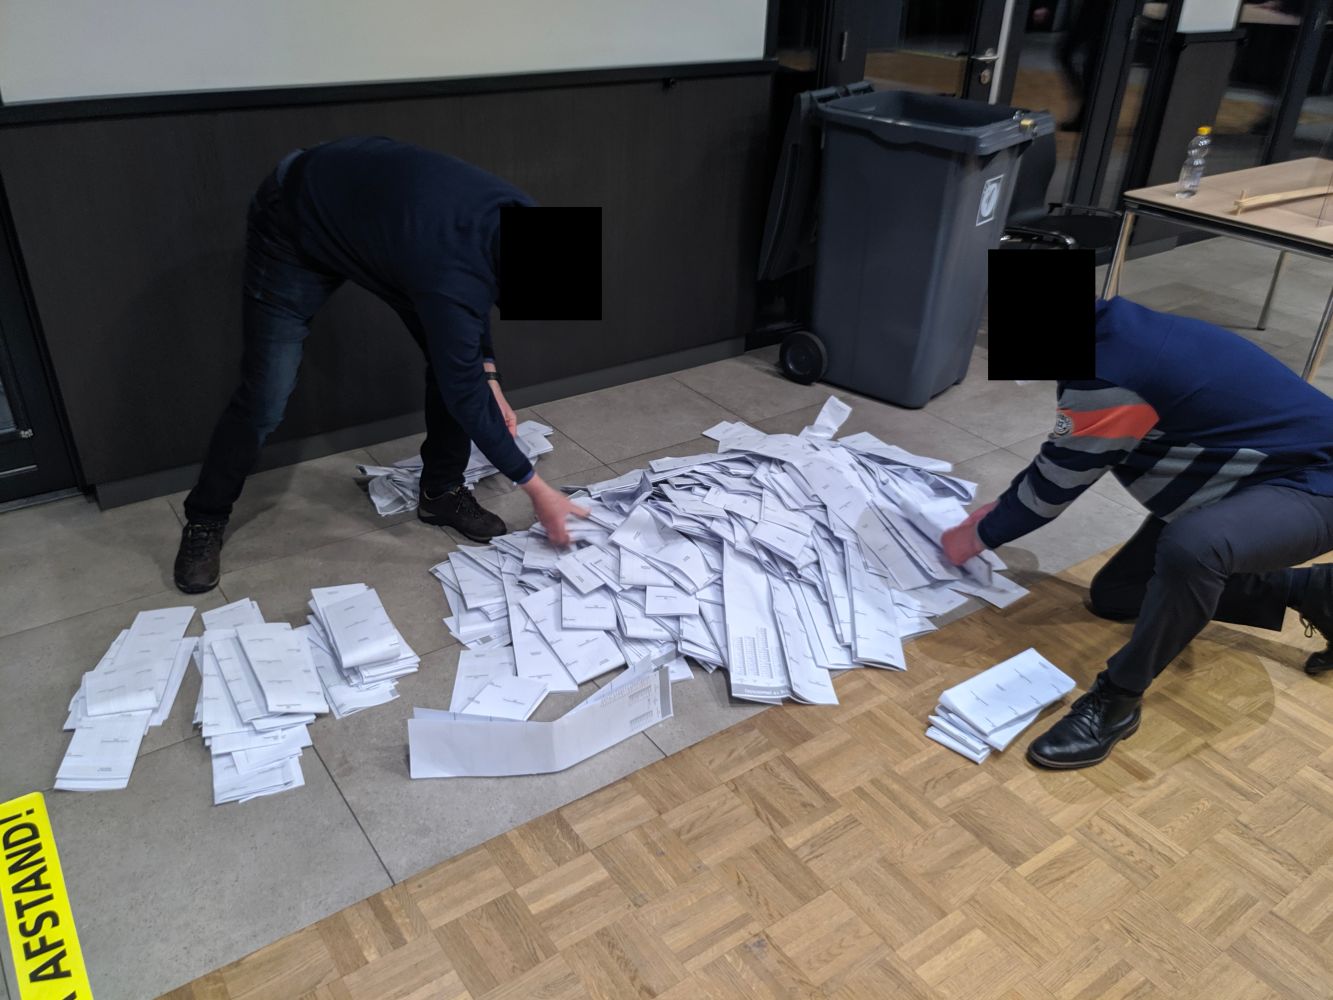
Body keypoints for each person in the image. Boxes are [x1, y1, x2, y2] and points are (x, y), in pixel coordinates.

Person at [173, 136, 588, 594]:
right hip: (294, 224)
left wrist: (490, 376)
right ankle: (205, 518)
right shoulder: (449, 274)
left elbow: (473, 309)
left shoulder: (518, 218)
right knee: (265, 397)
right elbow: (462, 377)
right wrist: (536, 488)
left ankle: (440, 493)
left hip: (391, 238)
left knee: (457, 361)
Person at [941, 296, 1333, 769]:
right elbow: (1064, 456)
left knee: (1194, 546)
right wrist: (995, 513)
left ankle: (1117, 700)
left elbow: (1052, 489)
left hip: (1317, 483)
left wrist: (976, 536)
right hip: (1255, 476)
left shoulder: (1111, 377)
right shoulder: (1113, 329)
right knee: (1119, 595)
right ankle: (1312, 590)